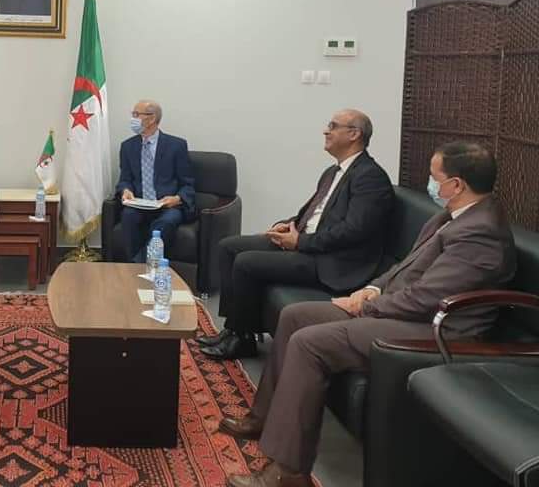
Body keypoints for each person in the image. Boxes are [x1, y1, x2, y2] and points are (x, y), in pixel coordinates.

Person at [220, 142, 515, 487]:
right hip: (401, 311)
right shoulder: (451, 215)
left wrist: (364, 306)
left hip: (437, 331)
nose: (430, 184)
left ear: (457, 184)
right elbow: (404, 269)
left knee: (309, 343)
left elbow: (426, 299)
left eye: (435, 177)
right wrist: (372, 289)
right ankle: (264, 418)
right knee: (295, 315)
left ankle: (288, 472)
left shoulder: (480, 234)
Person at [201, 109, 393, 360]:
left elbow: (354, 231)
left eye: (333, 126)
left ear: (354, 134)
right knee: (228, 247)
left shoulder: (370, 177)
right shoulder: (333, 172)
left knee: (246, 262)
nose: (326, 131)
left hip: (333, 261)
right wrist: (288, 225)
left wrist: (300, 241)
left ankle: (242, 339)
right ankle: (234, 329)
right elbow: (317, 213)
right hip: (310, 244)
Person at [110, 100, 196, 263]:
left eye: (136, 115)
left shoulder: (176, 146)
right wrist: (126, 191)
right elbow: (125, 179)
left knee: (167, 221)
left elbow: (187, 182)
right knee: (128, 216)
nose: (133, 119)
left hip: (166, 205)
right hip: (139, 203)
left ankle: (139, 265)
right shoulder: (128, 146)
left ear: (151, 118)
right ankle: (140, 266)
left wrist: (177, 198)